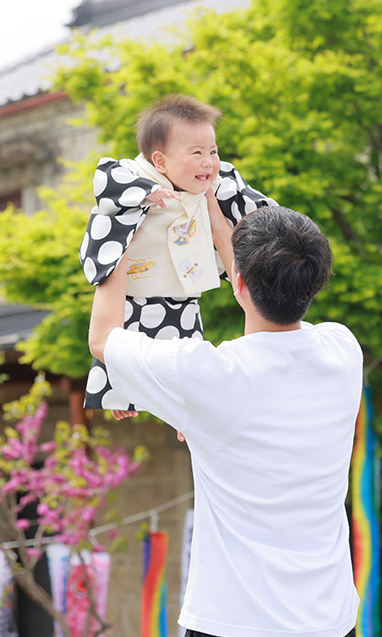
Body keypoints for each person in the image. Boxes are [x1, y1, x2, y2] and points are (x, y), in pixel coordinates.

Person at [89, 205, 368, 637]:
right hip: (329, 632)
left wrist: (115, 241)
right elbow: (258, 291)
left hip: (233, 634)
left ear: (236, 280)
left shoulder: (205, 376)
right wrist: (219, 219)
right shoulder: (343, 351)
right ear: (317, 280)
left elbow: (103, 337)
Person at [79, 94, 277, 416]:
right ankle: (121, 394)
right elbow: (106, 180)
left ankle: (186, 414)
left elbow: (251, 205)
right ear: (160, 161)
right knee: (124, 339)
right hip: (136, 287)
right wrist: (146, 193)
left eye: (212, 151)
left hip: (185, 289)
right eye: (196, 152)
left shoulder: (216, 182)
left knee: (188, 345)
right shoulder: (136, 173)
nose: (208, 162)